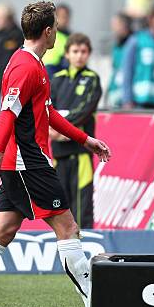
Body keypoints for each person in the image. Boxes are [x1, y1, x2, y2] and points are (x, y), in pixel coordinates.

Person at [0, 1, 111, 307]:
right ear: (49, 31)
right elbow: (6, 116)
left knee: (4, 230)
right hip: (28, 163)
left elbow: (47, 113)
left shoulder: (31, 65)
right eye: (56, 30)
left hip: (19, 163)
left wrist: (85, 140)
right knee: (68, 229)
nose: (58, 36)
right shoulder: (26, 68)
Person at [50, 33, 102, 228]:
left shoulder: (92, 79)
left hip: (81, 154)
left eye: (84, 52)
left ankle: (86, 249)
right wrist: (51, 129)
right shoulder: (57, 79)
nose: (79, 56)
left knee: (82, 207)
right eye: (75, 51)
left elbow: (85, 110)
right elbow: (46, 108)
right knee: (60, 209)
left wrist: (61, 127)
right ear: (67, 54)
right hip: (59, 153)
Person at [106, 12, 133, 108]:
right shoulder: (116, 46)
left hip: (126, 98)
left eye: (116, 25)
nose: (113, 29)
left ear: (124, 25)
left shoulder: (133, 44)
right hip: (115, 94)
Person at [42, 3, 72, 77]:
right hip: (48, 69)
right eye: (62, 17)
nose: (64, 20)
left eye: (66, 17)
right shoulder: (47, 33)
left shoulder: (70, 37)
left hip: (60, 69)